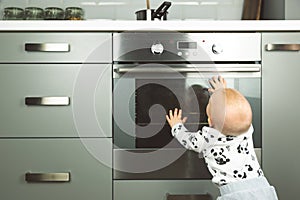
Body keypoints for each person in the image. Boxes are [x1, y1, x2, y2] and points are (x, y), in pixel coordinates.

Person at [166, 76, 278, 200]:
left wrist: (176, 125)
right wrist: (222, 93)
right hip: (261, 187)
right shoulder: (246, 129)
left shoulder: (208, 139)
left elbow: (188, 140)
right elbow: (235, 110)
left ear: (210, 121)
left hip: (235, 194)